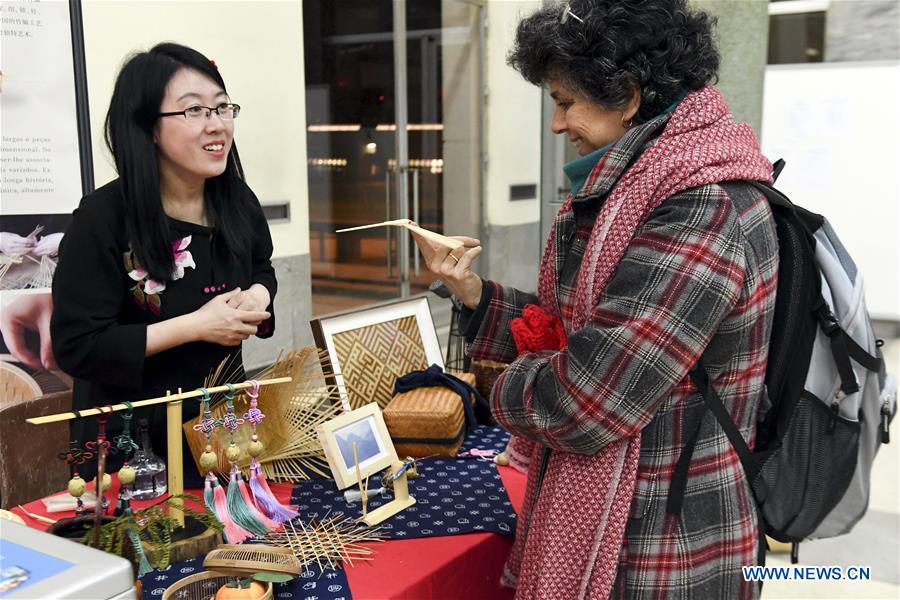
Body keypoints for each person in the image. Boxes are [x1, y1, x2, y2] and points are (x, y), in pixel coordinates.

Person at [411, 1, 778, 598]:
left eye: (565, 101)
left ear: (628, 95)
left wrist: (475, 388)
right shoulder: (649, 186)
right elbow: (584, 332)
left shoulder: (699, 208)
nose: (558, 124)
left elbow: (588, 400)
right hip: (637, 515)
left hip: (665, 540)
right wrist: (475, 295)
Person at [51, 43, 276, 486]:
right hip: (134, 450)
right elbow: (79, 346)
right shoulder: (104, 219)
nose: (216, 125)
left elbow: (262, 269)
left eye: (222, 107)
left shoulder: (237, 203)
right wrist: (196, 326)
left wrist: (257, 295)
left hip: (222, 434)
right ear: (148, 128)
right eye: (194, 111)